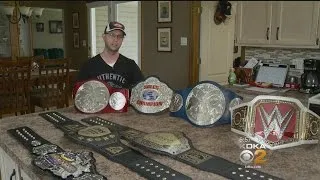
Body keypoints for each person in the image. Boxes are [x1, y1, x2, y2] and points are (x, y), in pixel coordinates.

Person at [76, 21, 144, 89]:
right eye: (112, 35)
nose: (116, 39)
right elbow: (80, 94)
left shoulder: (130, 65)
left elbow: (142, 89)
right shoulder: (89, 66)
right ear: (104, 37)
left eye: (120, 36)